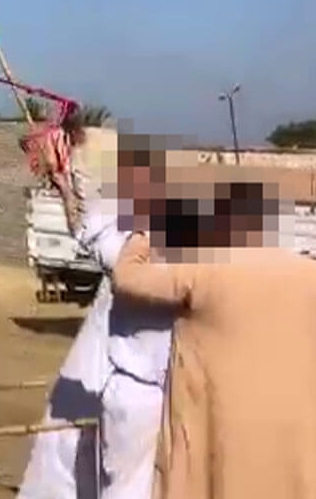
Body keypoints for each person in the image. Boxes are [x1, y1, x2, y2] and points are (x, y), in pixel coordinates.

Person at [112, 180, 316, 498]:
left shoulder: (204, 269)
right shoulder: (308, 274)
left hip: (222, 431)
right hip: (293, 436)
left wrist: (142, 234)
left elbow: (127, 278)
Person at [18, 134, 174, 499]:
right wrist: (64, 183)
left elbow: (89, 233)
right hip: (136, 382)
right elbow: (90, 231)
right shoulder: (182, 263)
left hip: (125, 383)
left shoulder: (132, 255)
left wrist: (64, 184)